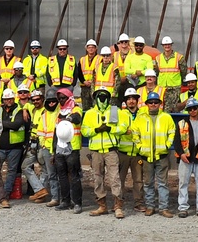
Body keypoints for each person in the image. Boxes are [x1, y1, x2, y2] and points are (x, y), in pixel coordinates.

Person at [81, 86, 130, 218]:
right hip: (96, 151)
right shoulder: (90, 113)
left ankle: (118, 207)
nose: (102, 99)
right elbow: (84, 130)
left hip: (111, 150)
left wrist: (110, 129)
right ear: (95, 98)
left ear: (109, 98)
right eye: (99, 96)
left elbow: (123, 127)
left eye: (104, 96)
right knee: (98, 179)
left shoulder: (115, 111)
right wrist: (96, 130)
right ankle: (102, 206)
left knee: (114, 178)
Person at [132, 91, 175, 217]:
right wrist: (140, 148)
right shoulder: (141, 118)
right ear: (147, 104)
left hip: (162, 156)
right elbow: (135, 134)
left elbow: (172, 132)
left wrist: (167, 145)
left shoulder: (166, 117)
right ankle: (150, 206)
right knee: (148, 183)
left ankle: (163, 208)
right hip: (146, 156)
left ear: (160, 104)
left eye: (156, 102)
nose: (153, 104)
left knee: (163, 183)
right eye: (150, 102)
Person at [173, 98, 198, 218]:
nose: (192, 110)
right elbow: (177, 141)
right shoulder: (182, 123)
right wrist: (181, 154)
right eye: (190, 109)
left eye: (194, 108)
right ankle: (183, 208)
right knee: (183, 183)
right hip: (186, 158)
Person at [51, 87, 83, 213]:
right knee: (62, 176)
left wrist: (69, 119)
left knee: (74, 176)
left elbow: (77, 118)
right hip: (60, 148)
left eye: (63, 98)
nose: (61, 100)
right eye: (59, 98)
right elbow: (55, 131)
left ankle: (77, 203)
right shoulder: (59, 111)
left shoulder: (76, 108)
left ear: (69, 98)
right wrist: (54, 150)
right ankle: (65, 201)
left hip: (72, 147)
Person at [23, 88, 54, 204]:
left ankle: (41, 194)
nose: (35, 101)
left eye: (38, 99)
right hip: (33, 142)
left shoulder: (46, 111)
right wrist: (24, 109)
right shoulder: (32, 108)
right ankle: (40, 189)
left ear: (42, 99)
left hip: (42, 143)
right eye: (33, 100)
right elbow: (26, 104)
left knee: (44, 169)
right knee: (25, 166)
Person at [117, 87, 145, 212]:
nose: (131, 101)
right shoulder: (120, 114)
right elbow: (114, 129)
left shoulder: (143, 114)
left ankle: (138, 203)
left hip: (138, 153)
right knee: (119, 179)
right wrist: (123, 131)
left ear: (137, 100)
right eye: (128, 99)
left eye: (133, 98)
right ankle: (118, 203)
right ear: (125, 101)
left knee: (138, 180)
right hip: (122, 152)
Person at [0, 88, 27, 203]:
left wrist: (1, 124)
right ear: (3, 100)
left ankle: (6, 192)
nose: (8, 101)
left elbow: (16, 124)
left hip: (15, 147)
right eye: (6, 99)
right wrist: (7, 124)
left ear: (13, 99)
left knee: (12, 171)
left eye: (10, 99)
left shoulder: (19, 110)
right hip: (0, 146)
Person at [155, 36, 186, 113]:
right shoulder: (158, 58)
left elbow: (184, 72)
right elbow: (157, 72)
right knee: (161, 108)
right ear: (162, 46)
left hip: (174, 89)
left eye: (168, 44)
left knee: (173, 109)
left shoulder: (179, 57)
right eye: (165, 45)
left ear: (171, 45)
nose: (167, 46)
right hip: (162, 88)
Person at [77, 39, 99, 109]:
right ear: (86, 49)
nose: (91, 49)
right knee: (85, 107)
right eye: (89, 47)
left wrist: (92, 82)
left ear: (96, 49)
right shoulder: (82, 59)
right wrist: (84, 81)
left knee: (96, 106)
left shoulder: (100, 59)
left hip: (95, 87)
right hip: (85, 87)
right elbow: (79, 72)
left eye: (93, 47)